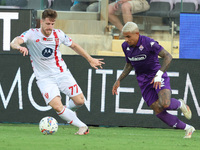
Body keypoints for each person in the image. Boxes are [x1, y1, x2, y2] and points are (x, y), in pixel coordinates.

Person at [10, 9, 105, 135]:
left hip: (62, 73)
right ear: (41, 22)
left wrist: (90, 59)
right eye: (48, 24)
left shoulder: (58, 34)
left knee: (80, 101)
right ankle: (82, 126)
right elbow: (14, 41)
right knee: (57, 106)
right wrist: (19, 46)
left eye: (52, 24)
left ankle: (69, 113)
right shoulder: (32, 34)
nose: (50, 27)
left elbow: (74, 46)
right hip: (44, 78)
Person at [112, 22, 195, 138]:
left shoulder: (149, 43)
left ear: (137, 34)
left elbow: (168, 56)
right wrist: (119, 79)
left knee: (165, 103)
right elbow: (129, 64)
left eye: (128, 36)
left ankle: (181, 104)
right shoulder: (125, 46)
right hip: (143, 81)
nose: (126, 40)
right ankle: (188, 128)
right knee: (158, 110)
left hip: (157, 76)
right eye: (124, 37)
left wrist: (159, 74)